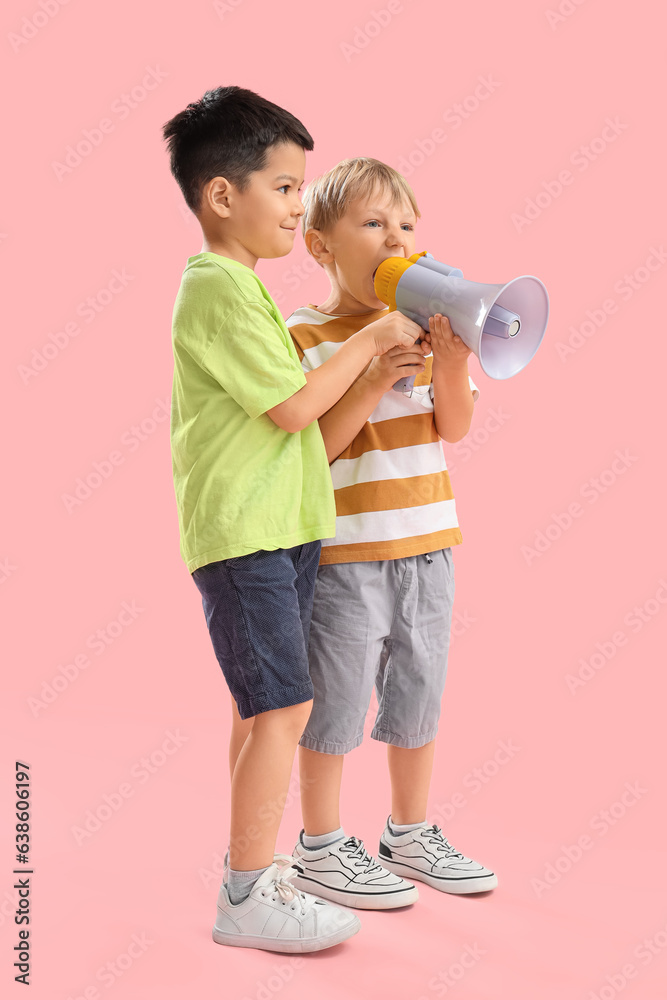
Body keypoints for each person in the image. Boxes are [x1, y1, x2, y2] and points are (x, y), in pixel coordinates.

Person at [163, 93, 423, 951]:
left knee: (260, 710)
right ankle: (244, 895)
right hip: (247, 534)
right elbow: (292, 409)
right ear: (221, 197)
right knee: (284, 707)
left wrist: (380, 368)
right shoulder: (216, 287)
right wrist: (368, 340)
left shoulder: (242, 292)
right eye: (283, 187)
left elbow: (310, 426)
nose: (294, 206)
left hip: (279, 527)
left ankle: (255, 867)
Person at [280, 157, 497, 908]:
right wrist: (372, 368)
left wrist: (451, 362)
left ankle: (409, 832)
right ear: (320, 245)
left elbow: (454, 427)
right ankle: (320, 847)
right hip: (345, 554)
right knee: (334, 702)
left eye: (405, 224)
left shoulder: (430, 330)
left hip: (429, 543)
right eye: (372, 223)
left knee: (418, 693)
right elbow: (315, 446)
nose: (395, 237)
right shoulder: (305, 336)